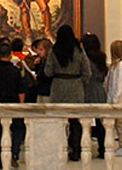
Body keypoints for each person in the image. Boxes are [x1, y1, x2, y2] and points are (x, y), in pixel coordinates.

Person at [44, 25, 91, 161]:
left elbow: (48, 71)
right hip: (75, 87)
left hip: (58, 86)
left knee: (58, 121)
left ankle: (59, 149)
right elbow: (87, 72)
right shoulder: (79, 51)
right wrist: (79, 82)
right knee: (76, 121)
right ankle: (76, 150)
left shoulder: (54, 51)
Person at [0, 44, 27, 169]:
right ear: (10, 56)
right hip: (13, 103)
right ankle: (14, 153)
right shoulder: (15, 71)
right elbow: (21, 90)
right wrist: (21, 105)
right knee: (17, 129)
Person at [81, 33, 108, 158]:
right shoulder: (101, 57)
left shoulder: (84, 57)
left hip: (88, 89)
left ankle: (83, 147)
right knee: (99, 120)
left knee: (86, 121)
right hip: (99, 89)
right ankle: (102, 148)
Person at [107, 40, 122, 157]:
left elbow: (119, 84)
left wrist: (115, 99)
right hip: (114, 99)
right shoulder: (114, 65)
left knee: (121, 124)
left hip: (121, 100)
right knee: (117, 124)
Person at [32, 38, 54, 103]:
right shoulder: (42, 60)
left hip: (47, 91)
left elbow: (47, 74)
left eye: (41, 50)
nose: (38, 52)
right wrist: (37, 65)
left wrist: (38, 77)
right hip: (41, 90)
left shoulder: (49, 61)